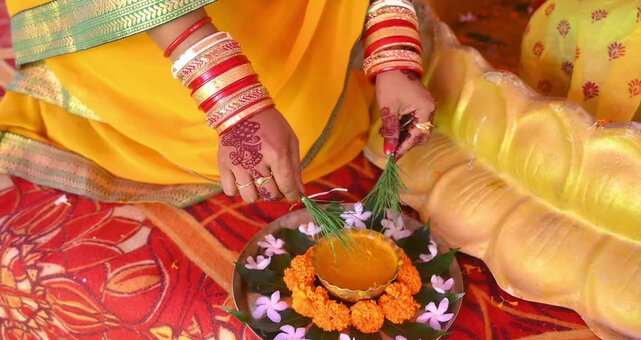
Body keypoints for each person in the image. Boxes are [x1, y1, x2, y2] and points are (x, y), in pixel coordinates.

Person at [0, 0, 436, 206]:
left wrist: (392, 48)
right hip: (137, 15)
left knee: (312, 115)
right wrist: (234, 103)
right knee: (286, 127)